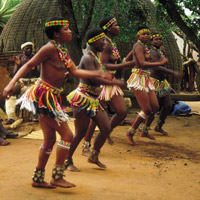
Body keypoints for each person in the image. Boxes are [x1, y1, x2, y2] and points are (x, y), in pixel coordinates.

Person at [3, 17, 108, 188]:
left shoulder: (61, 49)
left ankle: (38, 178)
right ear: (56, 33)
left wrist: (98, 75)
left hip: (52, 97)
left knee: (49, 140)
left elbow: (74, 71)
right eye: (66, 29)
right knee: (67, 136)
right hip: (44, 97)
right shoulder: (49, 48)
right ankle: (57, 176)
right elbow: (29, 65)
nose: (70, 31)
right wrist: (11, 83)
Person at [65, 27, 125, 171]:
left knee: (106, 128)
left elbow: (80, 68)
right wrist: (114, 82)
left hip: (94, 99)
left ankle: (94, 155)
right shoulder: (88, 57)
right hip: (83, 99)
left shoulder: (94, 57)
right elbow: (94, 79)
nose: (105, 42)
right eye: (102, 39)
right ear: (93, 41)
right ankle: (67, 160)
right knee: (80, 131)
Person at [81, 16, 135, 152]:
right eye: (116, 25)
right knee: (120, 112)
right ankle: (95, 139)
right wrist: (126, 64)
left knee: (98, 113)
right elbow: (103, 64)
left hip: (111, 82)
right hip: (106, 83)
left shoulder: (110, 43)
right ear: (109, 28)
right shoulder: (106, 44)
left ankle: (96, 138)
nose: (119, 27)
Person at [125, 26, 169, 145]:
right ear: (138, 36)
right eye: (143, 34)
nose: (146, 36)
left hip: (146, 78)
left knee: (155, 107)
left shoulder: (142, 47)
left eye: (148, 34)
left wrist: (130, 61)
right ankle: (130, 132)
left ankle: (143, 131)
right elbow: (143, 63)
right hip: (138, 79)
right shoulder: (138, 46)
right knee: (147, 109)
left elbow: (128, 59)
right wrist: (162, 62)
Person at [138, 33, 182, 136]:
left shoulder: (160, 52)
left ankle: (159, 126)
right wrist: (172, 72)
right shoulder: (152, 52)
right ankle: (143, 127)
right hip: (154, 83)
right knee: (154, 108)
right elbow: (157, 67)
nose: (158, 41)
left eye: (160, 39)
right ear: (152, 41)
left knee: (168, 105)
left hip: (163, 83)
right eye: (156, 39)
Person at [5, 42, 40, 124]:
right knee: (10, 93)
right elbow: (15, 74)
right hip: (22, 82)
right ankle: (11, 116)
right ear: (23, 49)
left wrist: (35, 68)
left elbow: (40, 72)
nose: (29, 50)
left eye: (30, 48)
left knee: (33, 92)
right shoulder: (19, 58)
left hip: (34, 81)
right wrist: (17, 64)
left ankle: (34, 115)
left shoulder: (35, 57)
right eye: (27, 48)